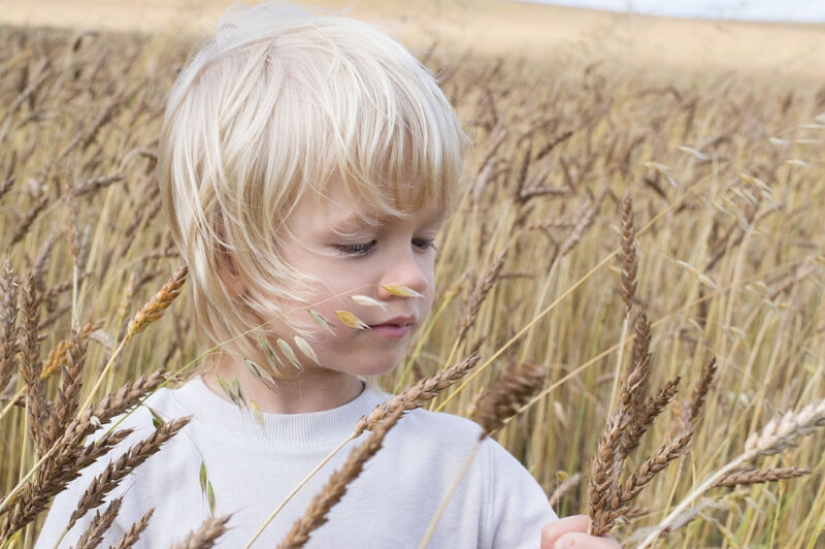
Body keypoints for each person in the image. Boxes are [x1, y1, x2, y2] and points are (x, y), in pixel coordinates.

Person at [37, 3, 620, 548]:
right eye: (359, 244)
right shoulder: (128, 463)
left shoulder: (467, 471)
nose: (411, 276)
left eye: (424, 240)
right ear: (231, 260)